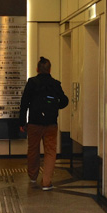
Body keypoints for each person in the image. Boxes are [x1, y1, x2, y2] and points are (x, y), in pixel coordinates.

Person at [19, 57, 69, 190]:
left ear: (37, 69)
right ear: (50, 70)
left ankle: (33, 176)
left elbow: (24, 103)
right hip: (51, 124)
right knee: (50, 152)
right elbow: (65, 101)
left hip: (34, 123)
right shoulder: (55, 84)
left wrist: (22, 122)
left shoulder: (32, 82)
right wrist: (55, 106)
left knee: (33, 150)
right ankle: (46, 182)